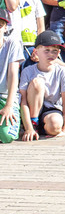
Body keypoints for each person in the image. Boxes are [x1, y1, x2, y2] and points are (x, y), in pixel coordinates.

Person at [18, 29, 65, 141]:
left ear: (59, 53)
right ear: (36, 52)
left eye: (54, 51)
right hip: (33, 109)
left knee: (55, 126)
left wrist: (64, 129)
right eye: (46, 50)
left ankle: (43, 127)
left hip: (52, 110)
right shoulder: (27, 71)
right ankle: (33, 124)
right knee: (37, 82)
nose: (51, 54)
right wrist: (28, 128)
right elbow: (23, 101)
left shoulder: (62, 71)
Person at [0, 11, 23, 144]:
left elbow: (13, 74)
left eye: (0, 26)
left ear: (5, 28)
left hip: (5, 96)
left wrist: (8, 105)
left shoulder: (12, 43)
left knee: (6, 136)